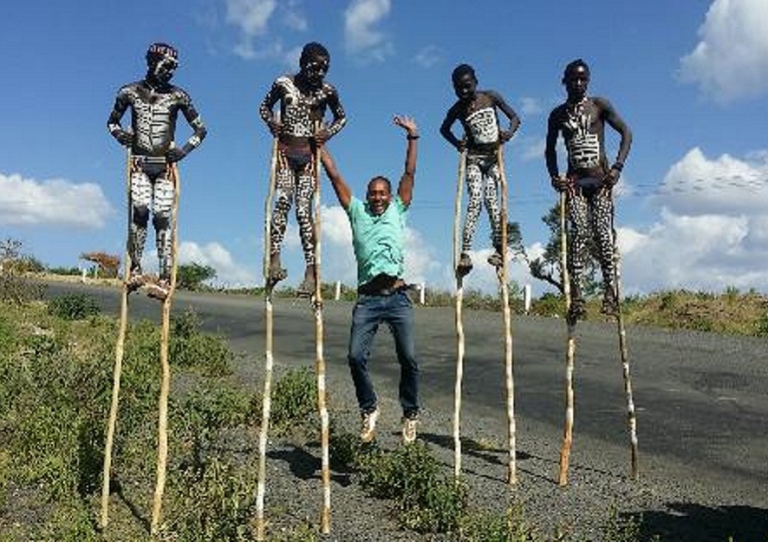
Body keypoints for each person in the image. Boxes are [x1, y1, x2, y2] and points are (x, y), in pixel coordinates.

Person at [318, 115, 420, 444]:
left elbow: (409, 173)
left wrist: (413, 138)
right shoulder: (356, 211)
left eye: (382, 193)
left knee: (409, 358)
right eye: (373, 193)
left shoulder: (398, 210)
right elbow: (334, 176)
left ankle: (410, 413)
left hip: (398, 297)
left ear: (390, 196)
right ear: (366, 195)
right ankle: (369, 408)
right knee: (354, 357)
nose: (377, 197)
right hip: (367, 300)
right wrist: (321, 146)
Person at [107, 42, 207, 301]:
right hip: (139, 163)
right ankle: (135, 268)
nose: (170, 72)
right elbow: (112, 122)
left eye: (174, 68)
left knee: (163, 217)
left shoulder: (178, 96)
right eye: (167, 65)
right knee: (140, 210)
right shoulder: (129, 92)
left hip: (165, 167)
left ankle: (164, 277)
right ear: (152, 62)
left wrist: (184, 150)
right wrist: (121, 136)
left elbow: (201, 130)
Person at [545, 58, 632, 321]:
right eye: (574, 79)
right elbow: (549, 150)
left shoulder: (599, 105)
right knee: (579, 234)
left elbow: (626, 133)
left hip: (601, 182)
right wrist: (554, 177)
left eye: (583, 79)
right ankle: (577, 296)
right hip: (575, 184)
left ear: (589, 80)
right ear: (565, 81)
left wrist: (617, 167)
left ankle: (610, 293)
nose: (578, 83)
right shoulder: (558, 115)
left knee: (604, 235)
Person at [259, 42, 347, 294]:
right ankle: (274, 259)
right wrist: (271, 123)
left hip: (308, 158)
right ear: (302, 63)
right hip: (285, 153)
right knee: (282, 201)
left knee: (303, 211)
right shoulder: (283, 83)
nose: (319, 73)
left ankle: (310, 272)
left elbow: (342, 117)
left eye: (324, 69)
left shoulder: (327, 91)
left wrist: (327, 133)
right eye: (315, 67)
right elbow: (264, 107)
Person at [440, 64, 521, 276]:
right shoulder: (457, 109)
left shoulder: (490, 97)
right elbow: (444, 129)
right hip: (474, 159)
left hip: (494, 158)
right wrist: (457, 143)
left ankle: (499, 250)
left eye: (467, 86)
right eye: (458, 88)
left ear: (476, 82)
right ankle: (465, 253)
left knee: (492, 201)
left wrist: (509, 133)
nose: (464, 91)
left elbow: (515, 118)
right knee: (475, 200)